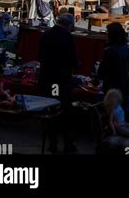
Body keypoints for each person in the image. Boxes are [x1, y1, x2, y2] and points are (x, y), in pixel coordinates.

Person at [38, 14, 79, 153]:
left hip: (46, 78)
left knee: (50, 110)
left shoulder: (46, 34)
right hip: (61, 80)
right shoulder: (67, 37)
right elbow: (73, 60)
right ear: (69, 25)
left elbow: (40, 56)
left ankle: (52, 143)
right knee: (66, 112)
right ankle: (68, 144)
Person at [98, 22, 129, 106]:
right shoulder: (127, 50)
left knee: (111, 113)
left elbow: (102, 72)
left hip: (112, 88)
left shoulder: (110, 51)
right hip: (124, 86)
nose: (106, 35)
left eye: (107, 33)